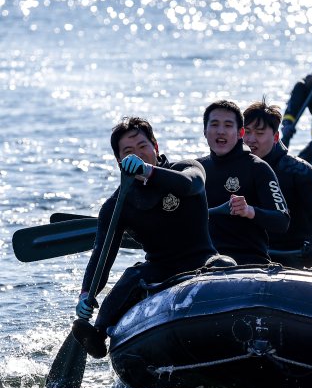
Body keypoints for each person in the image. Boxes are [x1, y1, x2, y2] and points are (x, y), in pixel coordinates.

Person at [73, 117, 234, 358]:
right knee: (131, 276)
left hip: (202, 259)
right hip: (159, 268)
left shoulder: (187, 169)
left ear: (155, 147)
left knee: (225, 264)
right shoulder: (117, 205)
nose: (137, 155)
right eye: (128, 152)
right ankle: (98, 334)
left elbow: (190, 185)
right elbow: (102, 255)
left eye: (142, 146)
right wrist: (87, 293)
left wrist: (148, 171)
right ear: (120, 161)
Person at [197, 100, 290, 265]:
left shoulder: (258, 168)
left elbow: (282, 220)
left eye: (227, 125)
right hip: (204, 262)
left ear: (240, 132)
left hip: (250, 263)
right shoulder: (195, 170)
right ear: (205, 131)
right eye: (214, 124)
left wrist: (250, 211)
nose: (220, 131)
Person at [243, 100, 312, 270]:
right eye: (246, 132)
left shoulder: (303, 172)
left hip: (297, 253)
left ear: (275, 137)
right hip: (253, 252)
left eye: (260, 133)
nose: (251, 140)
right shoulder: (235, 169)